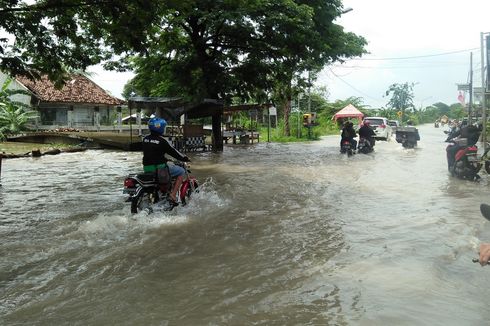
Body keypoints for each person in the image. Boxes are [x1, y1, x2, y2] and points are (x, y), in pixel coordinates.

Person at [142, 117, 190, 203]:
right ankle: (173, 195)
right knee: (181, 171)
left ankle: (163, 193)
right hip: (160, 168)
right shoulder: (162, 141)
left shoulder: (145, 139)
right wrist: (184, 158)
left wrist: (164, 158)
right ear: (161, 128)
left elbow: (152, 153)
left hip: (147, 169)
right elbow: (173, 152)